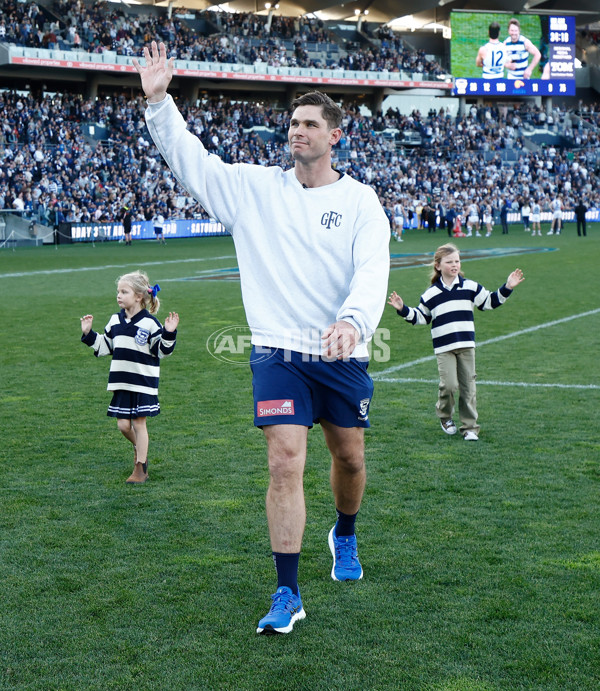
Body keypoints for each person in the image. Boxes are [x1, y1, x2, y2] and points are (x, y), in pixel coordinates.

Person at [133, 41, 390, 635]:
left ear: (335, 136)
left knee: (348, 456)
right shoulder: (253, 190)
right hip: (277, 351)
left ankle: (344, 533)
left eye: (309, 124)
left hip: (341, 352)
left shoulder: (359, 202)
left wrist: (353, 322)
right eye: (293, 123)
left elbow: (372, 270)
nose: (297, 131)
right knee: (284, 461)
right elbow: (193, 162)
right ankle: (287, 590)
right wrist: (158, 104)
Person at [387, 244, 524, 441]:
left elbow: (489, 302)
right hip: (444, 348)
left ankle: (469, 428)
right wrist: (403, 309)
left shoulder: (470, 287)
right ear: (438, 265)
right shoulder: (431, 294)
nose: (454, 265)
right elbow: (421, 317)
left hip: (466, 345)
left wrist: (507, 287)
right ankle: (445, 416)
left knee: (468, 388)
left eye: (457, 261)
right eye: (449, 262)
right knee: (449, 386)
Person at [80, 270, 179, 483]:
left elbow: (162, 351)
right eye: (118, 291)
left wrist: (169, 332)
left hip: (142, 382)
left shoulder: (151, 323)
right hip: (121, 381)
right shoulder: (114, 320)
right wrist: (89, 334)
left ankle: (140, 468)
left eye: (124, 291)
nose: (118, 295)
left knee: (139, 423)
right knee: (123, 426)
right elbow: (105, 346)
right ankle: (139, 449)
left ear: (138, 296)